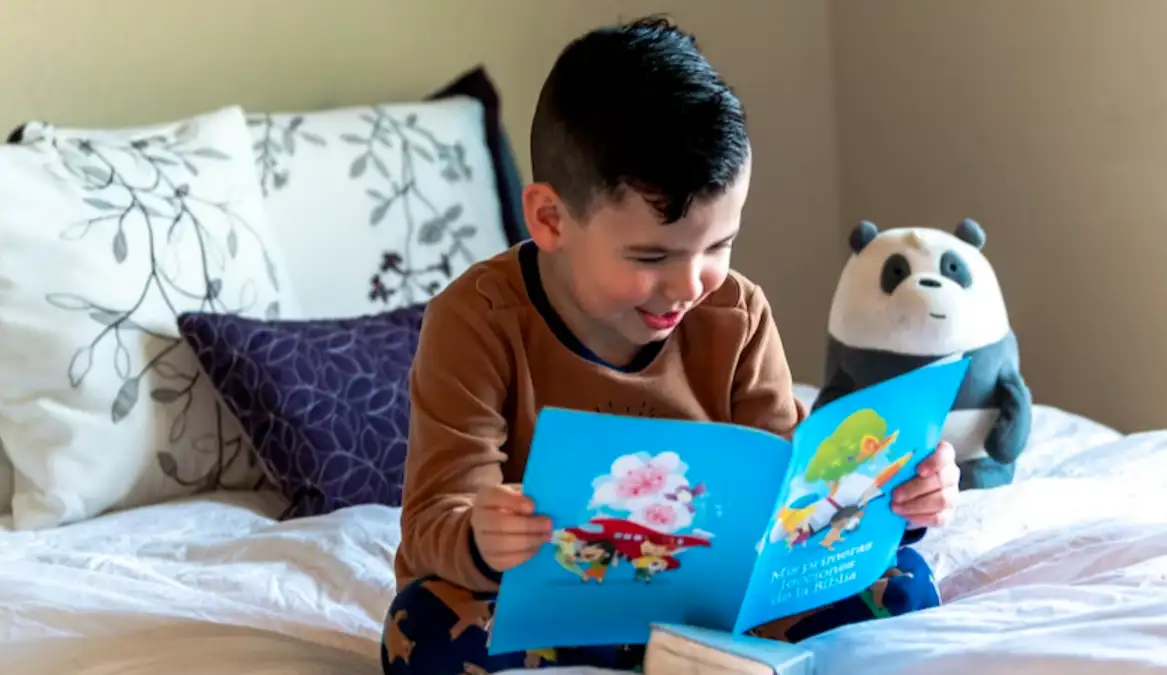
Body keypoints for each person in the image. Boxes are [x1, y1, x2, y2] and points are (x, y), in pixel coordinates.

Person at [381, 15, 960, 675]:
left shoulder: (735, 312)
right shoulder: (476, 320)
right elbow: (433, 516)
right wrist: (482, 536)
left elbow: (789, 490)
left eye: (718, 245)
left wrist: (897, 495)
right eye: (649, 255)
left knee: (902, 584)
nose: (689, 284)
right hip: (546, 607)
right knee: (425, 629)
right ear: (549, 218)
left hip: (712, 607)